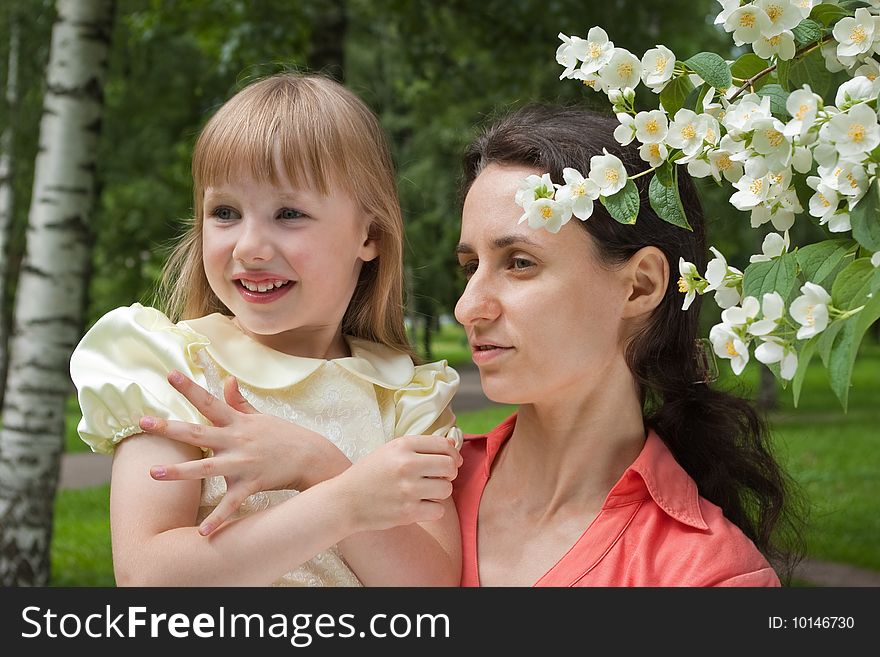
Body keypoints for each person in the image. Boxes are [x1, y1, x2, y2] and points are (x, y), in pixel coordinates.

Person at [145, 104, 806, 586]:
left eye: (518, 262)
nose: (468, 307)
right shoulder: (407, 471)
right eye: (470, 266)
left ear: (639, 286)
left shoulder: (708, 576)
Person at [69, 72, 463, 587]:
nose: (249, 247)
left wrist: (317, 464)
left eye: (289, 213)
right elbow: (149, 579)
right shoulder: (175, 368)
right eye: (225, 212)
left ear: (369, 234)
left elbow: (429, 592)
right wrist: (344, 503)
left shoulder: (404, 395)